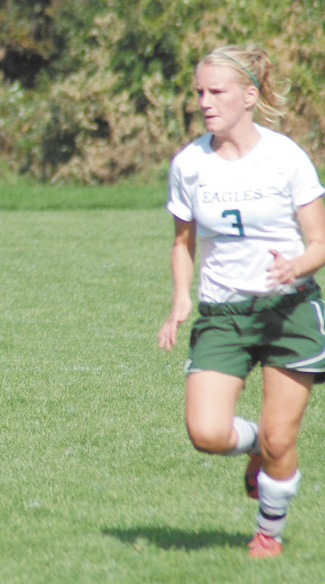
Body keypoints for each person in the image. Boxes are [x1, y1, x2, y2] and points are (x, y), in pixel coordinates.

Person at [158, 44, 325, 558]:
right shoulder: (189, 164)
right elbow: (183, 241)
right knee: (206, 432)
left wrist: (296, 265)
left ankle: (268, 534)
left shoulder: (285, 158)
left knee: (283, 440)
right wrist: (181, 297)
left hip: (288, 312)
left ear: (249, 96)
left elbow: (320, 241)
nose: (205, 102)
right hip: (223, 314)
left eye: (217, 91)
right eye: (200, 93)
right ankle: (257, 447)